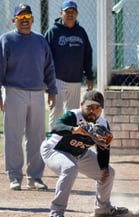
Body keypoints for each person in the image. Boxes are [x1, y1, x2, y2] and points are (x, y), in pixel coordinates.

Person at [0, 3, 57, 191]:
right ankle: (14, 175)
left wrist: (52, 90)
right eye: (20, 18)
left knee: (37, 137)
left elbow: (49, 67)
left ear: (33, 20)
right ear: (14, 20)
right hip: (14, 92)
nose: (25, 21)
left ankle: (35, 177)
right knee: (13, 135)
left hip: (37, 94)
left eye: (28, 18)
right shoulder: (6, 40)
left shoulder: (40, 41)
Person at [41, 90, 129, 217]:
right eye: (89, 107)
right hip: (54, 150)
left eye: (97, 108)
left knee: (109, 173)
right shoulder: (73, 115)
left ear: (102, 109)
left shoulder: (103, 124)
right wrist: (73, 129)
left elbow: (104, 150)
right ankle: (56, 213)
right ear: (82, 105)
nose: (93, 111)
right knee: (70, 168)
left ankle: (103, 209)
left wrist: (103, 167)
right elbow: (56, 127)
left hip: (79, 153)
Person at [44, 0, 93, 131]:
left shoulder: (81, 32)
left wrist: (89, 76)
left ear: (77, 14)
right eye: (67, 11)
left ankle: (68, 143)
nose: (70, 14)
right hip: (57, 79)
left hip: (76, 80)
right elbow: (44, 56)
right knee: (57, 111)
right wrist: (45, 80)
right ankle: (53, 141)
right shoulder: (53, 31)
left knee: (72, 114)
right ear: (61, 13)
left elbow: (88, 54)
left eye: (73, 12)